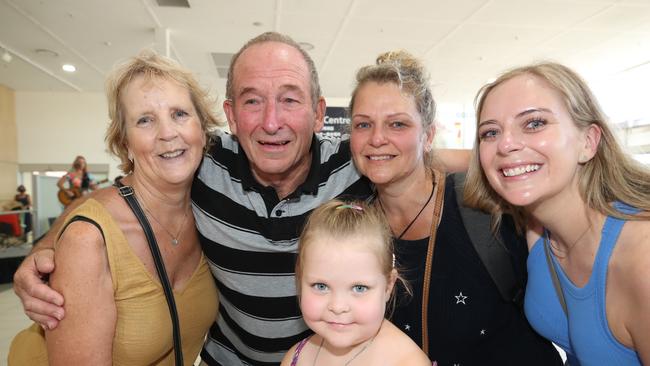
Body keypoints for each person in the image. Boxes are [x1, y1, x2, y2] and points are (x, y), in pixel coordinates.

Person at [13, 32, 468, 365]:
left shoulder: (357, 165)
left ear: (317, 112)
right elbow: (119, 194)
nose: (271, 122)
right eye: (252, 101)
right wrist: (48, 247)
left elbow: (426, 156)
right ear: (229, 114)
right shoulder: (202, 162)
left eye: (289, 100)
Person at [348, 50, 562, 365]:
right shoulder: (355, 228)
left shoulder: (484, 202)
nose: (377, 138)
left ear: (429, 135)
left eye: (397, 124)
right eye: (363, 125)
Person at [8, 50, 221, 365]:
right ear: (125, 143)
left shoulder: (209, 206)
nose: (167, 133)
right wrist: (48, 245)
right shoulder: (89, 241)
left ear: (203, 130)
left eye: (179, 114)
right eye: (145, 120)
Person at [466, 62, 650, 365]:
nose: (506, 143)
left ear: (588, 142)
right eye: (490, 132)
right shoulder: (537, 224)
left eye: (535, 123)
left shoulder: (640, 258)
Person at [281, 199, 431, 366]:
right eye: (321, 286)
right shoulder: (296, 357)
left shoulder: (409, 362)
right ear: (300, 279)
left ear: (388, 286)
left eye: (359, 288)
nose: (338, 307)